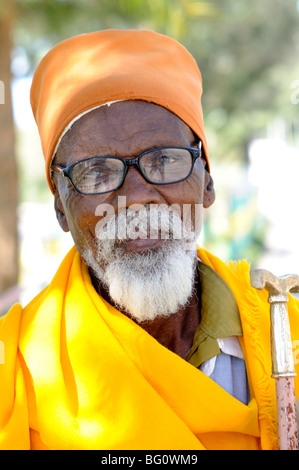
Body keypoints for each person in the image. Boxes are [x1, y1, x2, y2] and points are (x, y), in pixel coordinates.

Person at [1, 29, 299, 451]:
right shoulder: (15, 373)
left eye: (164, 159)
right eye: (97, 172)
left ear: (207, 183)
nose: (136, 197)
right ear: (59, 208)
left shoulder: (286, 334)